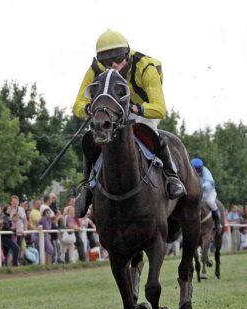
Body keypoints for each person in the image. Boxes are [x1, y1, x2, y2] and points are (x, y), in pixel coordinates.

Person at [72, 29, 185, 217]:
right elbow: (78, 103)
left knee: (148, 132)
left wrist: (136, 109)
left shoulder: (146, 69)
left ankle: (172, 176)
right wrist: (90, 109)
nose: (113, 65)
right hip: (113, 115)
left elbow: (160, 108)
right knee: (91, 139)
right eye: (106, 62)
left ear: (127, 54)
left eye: (117, 59)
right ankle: (87, 185)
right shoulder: (96, 70)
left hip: (141, 111)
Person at [191, 158, 221, 231]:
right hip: (197, 193)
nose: (196, 171)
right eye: (195, 169)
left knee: (210, 202)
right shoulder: (189, 171)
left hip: (208, 193)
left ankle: (217, 223)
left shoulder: (206, 172)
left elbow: (210, 183)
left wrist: (201, 186)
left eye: (197, 169)